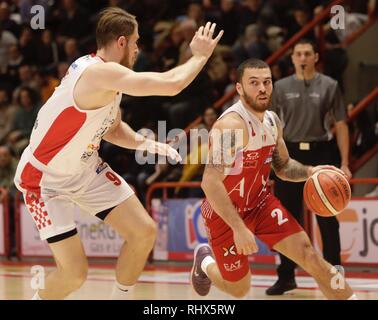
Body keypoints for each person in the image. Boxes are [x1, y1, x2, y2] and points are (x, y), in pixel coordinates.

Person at [13, 7, 223, 300]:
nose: (138, 48)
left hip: (85, 170)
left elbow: (111, 127)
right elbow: (171, 84)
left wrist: (146, 143)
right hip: (45, 180)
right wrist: (200, 56)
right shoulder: (99, 73)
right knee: (74, 274)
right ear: (121, 42)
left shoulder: (111, 77)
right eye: (136, 42)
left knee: (144, 231)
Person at [190, 58, 356, 300]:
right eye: (254, 83)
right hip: (225, 214)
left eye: (267, 82)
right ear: (239, 88)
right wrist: (238, 227)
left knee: (309, 255)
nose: (262, 89)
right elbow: (210, 182)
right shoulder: (230, 126)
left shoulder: (272, 121)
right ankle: (205, 262)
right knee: (239, 289)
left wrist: (311, 171)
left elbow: (283, 166)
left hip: (260, 204)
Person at [266, 38, 351, 295]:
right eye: (297, 54)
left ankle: (334, 275)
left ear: (315, 57)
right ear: (292, 58)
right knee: (287, 220)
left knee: (328, 218)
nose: (302, 58)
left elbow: (341, 124)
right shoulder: (279, 87)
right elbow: (270, 127)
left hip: (321, 152)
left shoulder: (330, 85)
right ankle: (286, 275)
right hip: (288, 152)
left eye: (306, 54)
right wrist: (269, 163)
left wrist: (345, 163)